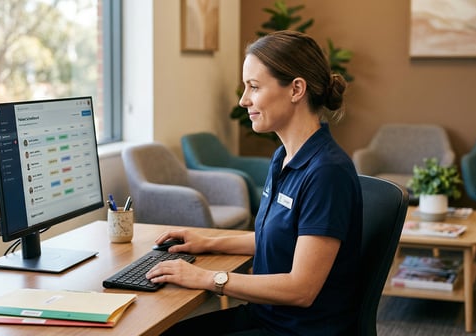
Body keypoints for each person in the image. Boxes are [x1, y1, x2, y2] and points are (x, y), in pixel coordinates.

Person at [147, 30, 363, 335]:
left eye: (254, 87)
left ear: (296, 89)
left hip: (299, 330)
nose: (243, 99)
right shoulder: (283, 158)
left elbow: (302, 289)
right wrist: (207, 242)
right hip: (266, 317)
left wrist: (208, 279)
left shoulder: (327, 172)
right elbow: (279, 237)